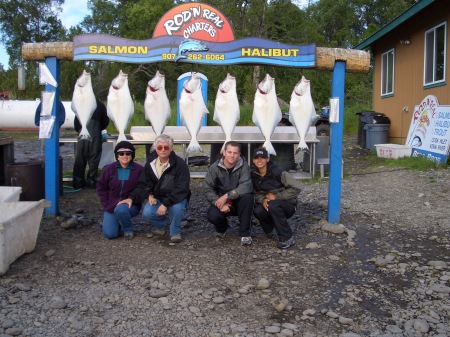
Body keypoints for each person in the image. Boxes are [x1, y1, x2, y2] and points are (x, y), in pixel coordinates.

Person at [124, 134, 190, 243]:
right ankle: (164, 225)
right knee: (147, 213)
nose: (163, 150)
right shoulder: (150, 163)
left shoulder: (180, 164)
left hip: (177, 197)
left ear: (171, 148)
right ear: (156, 148)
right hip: (158, 196)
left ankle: (175, 232)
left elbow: (182, 188)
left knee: (177, 209)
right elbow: (144, 182)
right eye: (159, 147)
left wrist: (165, 204)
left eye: (166, 147)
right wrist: (149, 195)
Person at [204, 141, 255, 245]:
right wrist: (217, 202)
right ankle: (223, 228)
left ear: (239, 154)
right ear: (224, 153)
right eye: (229, 152)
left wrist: (227, 196)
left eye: (235, 153)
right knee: (212, 215)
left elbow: (246, 186)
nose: (232, 155)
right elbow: (207, 189)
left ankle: (245, 234)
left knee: (248, 198)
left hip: (239, 201)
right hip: (221, 202)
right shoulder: (214, 168)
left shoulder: (244, 166)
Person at [251, 147, 301, 249]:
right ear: (253, 160)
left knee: (273, 205)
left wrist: (276, 196)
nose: (259, 160)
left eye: (263, 157)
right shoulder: (253, 174)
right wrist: (264, 199)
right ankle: (270, 230)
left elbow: (297, 187)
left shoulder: (278, 171)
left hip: (288, 205)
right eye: (256, 158)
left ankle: (287, 237)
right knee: (258, 210)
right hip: (271, 203)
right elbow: (255, 194)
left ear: (268, 159)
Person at [96, 141, 144, 240]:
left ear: (132, 155)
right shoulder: (109, 169)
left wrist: (132, 198)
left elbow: (142, 188)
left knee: (121, 210)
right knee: (110, 234)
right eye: (121, 153)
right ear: (117, 156)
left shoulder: (139, 169)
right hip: (111, 204)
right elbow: (101, 187)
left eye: (128, 153)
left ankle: (128, 229)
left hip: (131, 204)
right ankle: (118, 221)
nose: (124, 156)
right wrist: (106, 203)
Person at [72, 99, 110, 189]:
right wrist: (99, 129)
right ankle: (91, 181)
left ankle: (78, 182)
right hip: (95, 132)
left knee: (80, 157)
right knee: (94, 158)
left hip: (82, 132)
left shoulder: (81, 104)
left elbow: (76, 122)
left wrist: (79, 130)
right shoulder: (100, 104)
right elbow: (105, 121)